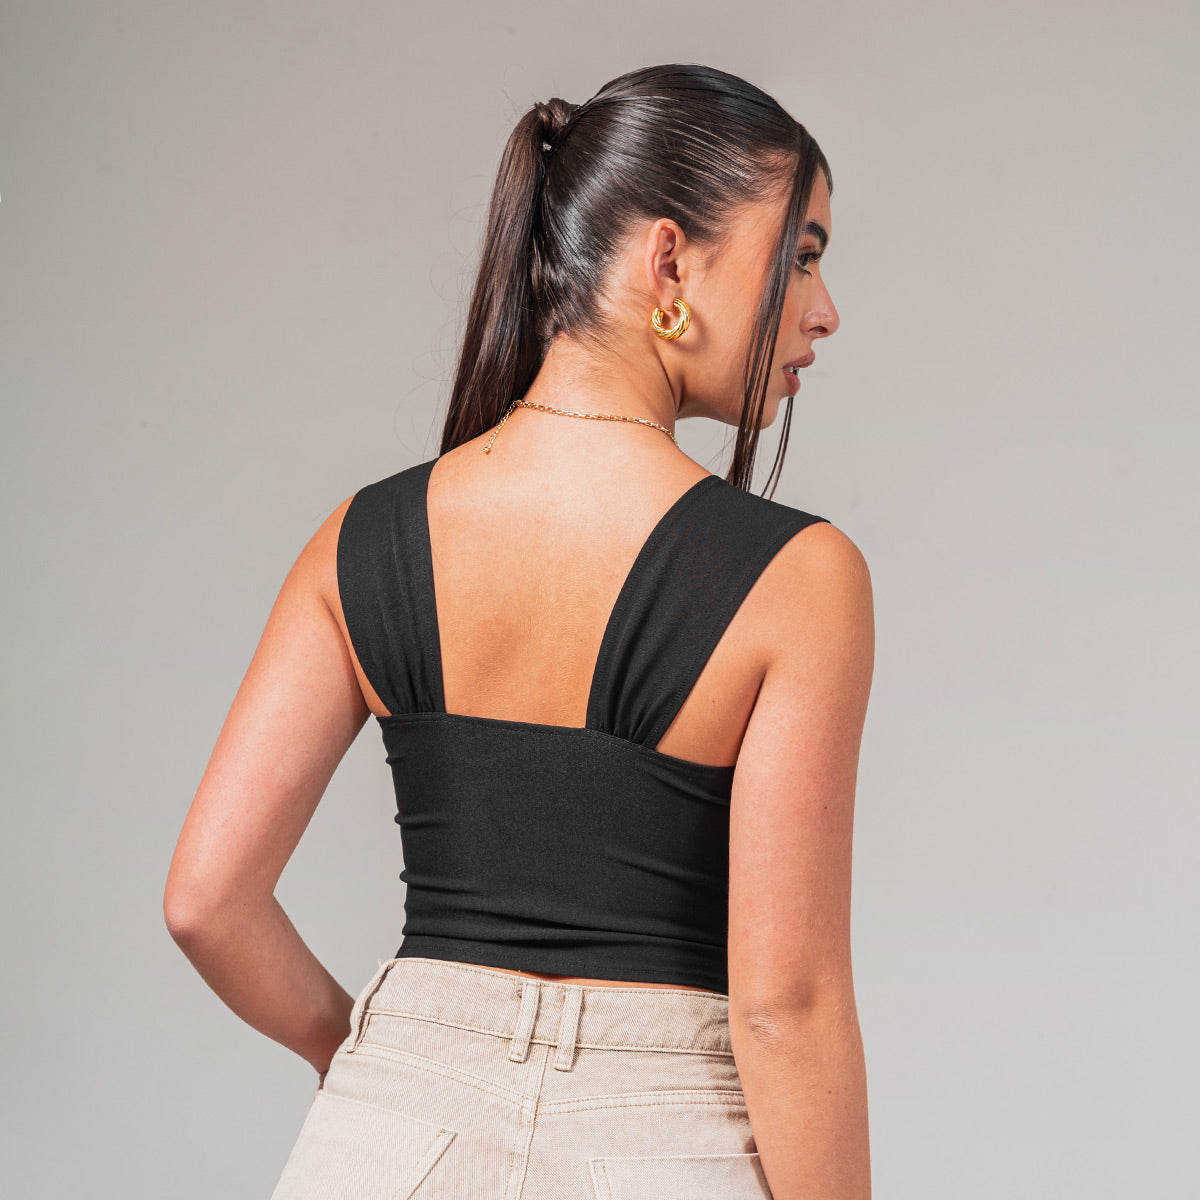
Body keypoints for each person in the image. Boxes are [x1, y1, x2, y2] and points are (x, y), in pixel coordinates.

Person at [164, 62, 874, 1200]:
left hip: (387, 1138)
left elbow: (208, 900)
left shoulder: (360, 539)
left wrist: (378, 1064)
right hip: (662, 1141)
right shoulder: (800, 578)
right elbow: (784, 1006)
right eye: (801, 255)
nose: (825, 309)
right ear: (670, 260)